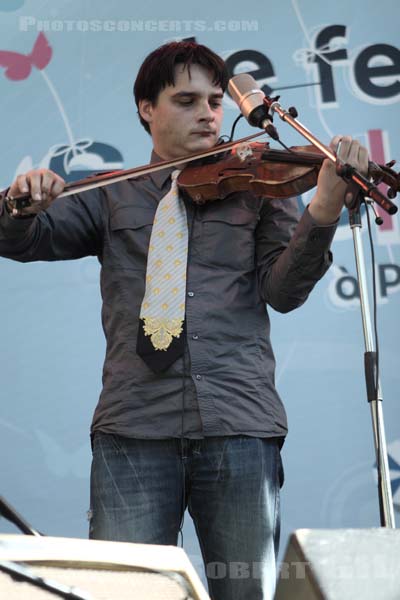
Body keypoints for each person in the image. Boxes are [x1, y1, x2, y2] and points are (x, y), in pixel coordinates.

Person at [0, 41, 368, 599]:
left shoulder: (257, 188)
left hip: (240, 424)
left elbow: (284, 291)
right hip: (133, 427)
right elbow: (27, 240)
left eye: (216, 102)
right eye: (187, 99)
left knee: (246, 592)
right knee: (124, 592)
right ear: (147, 107)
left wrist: (323, 211)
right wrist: (18, 204)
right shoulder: (112, 193)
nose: (208, 114)